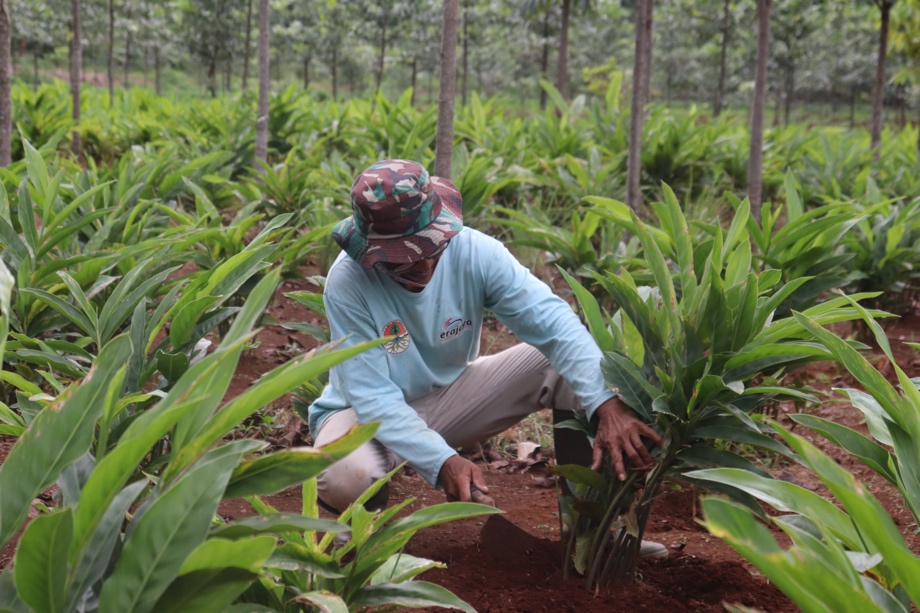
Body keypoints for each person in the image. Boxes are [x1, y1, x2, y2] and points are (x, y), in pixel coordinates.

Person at [308, 159, 665, 557]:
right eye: (404, 257)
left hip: (450, 395)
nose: (424, 263)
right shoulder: (349, 282)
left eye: (432, 246)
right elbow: (373, 396)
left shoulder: (475, 252)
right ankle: (347, 557)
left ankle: (594, 536)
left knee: (563, 366)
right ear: (373, 251)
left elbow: (554, 322)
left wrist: (607, 402)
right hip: (361, 413)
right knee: (347, 473)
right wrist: (442, 460)